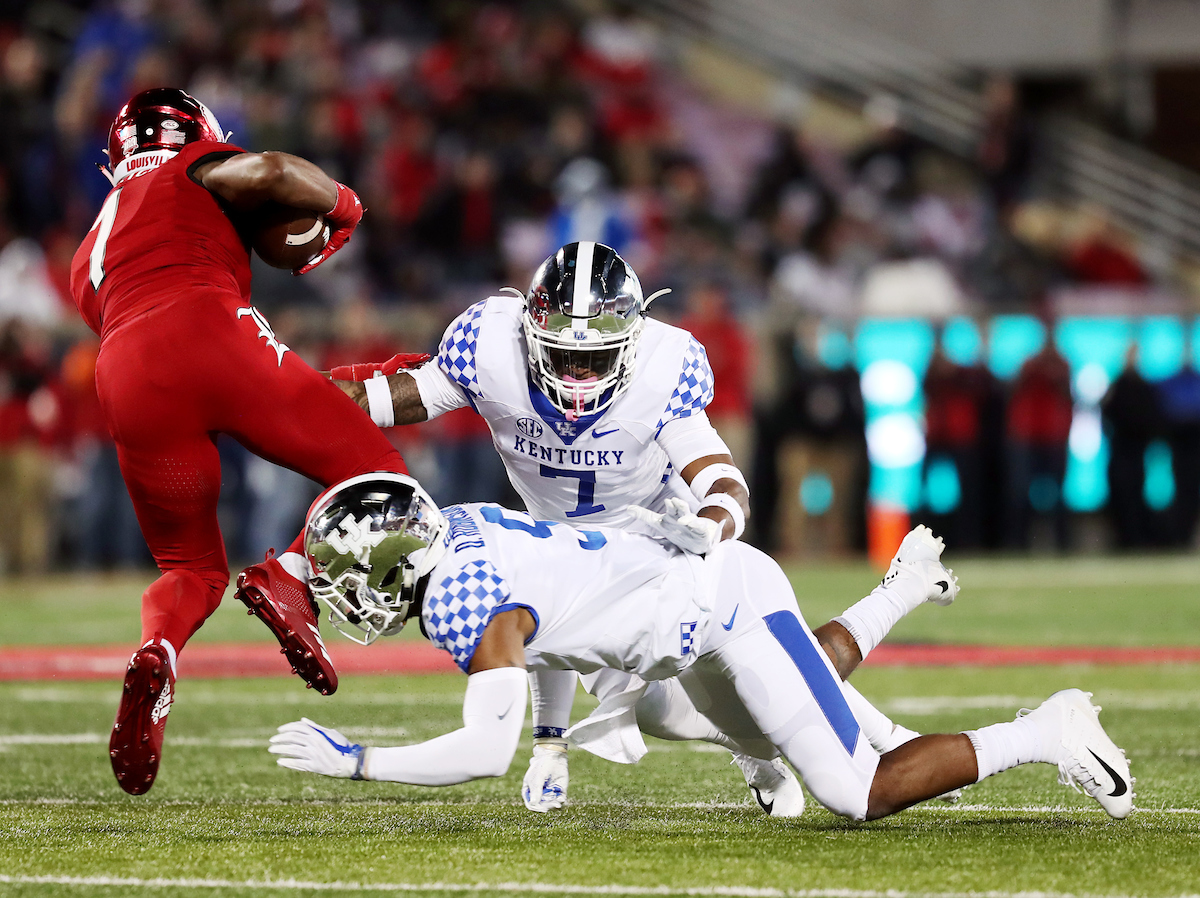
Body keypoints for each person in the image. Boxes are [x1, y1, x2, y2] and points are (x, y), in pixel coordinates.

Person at [325, 243, 942, 816]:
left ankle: (858, 712)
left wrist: (711, 525)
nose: (577, 374)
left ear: (631, 340)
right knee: (664, 712)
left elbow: (722, 480)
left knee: (761, 683)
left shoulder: (662, 364)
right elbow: (394, 397)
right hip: (568, 550)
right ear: (530, 333)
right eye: (563, 353)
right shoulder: (489, 344)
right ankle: (765, 742)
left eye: (594, 357)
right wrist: (280, 396)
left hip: (657, 550)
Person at [267, 473, 1133, 823]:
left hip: (722, 604)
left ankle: (1047, 730)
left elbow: (480, 750)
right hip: (676, 623)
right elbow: (550, 634)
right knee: (755, 727)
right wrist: (555, 738)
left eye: (354, 574)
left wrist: (359, 763)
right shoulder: (456, 528)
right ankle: (900, 591)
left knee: (856, 788)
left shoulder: (463, 601)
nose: (352, 594)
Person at [68, 88, 412, 796]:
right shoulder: (193, 164)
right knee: (374, 469)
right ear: (197, 133)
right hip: (208, 326)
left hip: (126, 372)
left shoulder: (87, 250)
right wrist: (342, 206)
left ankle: (157, 651)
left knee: (190, 568)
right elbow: (273, 174)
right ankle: (292, 578)